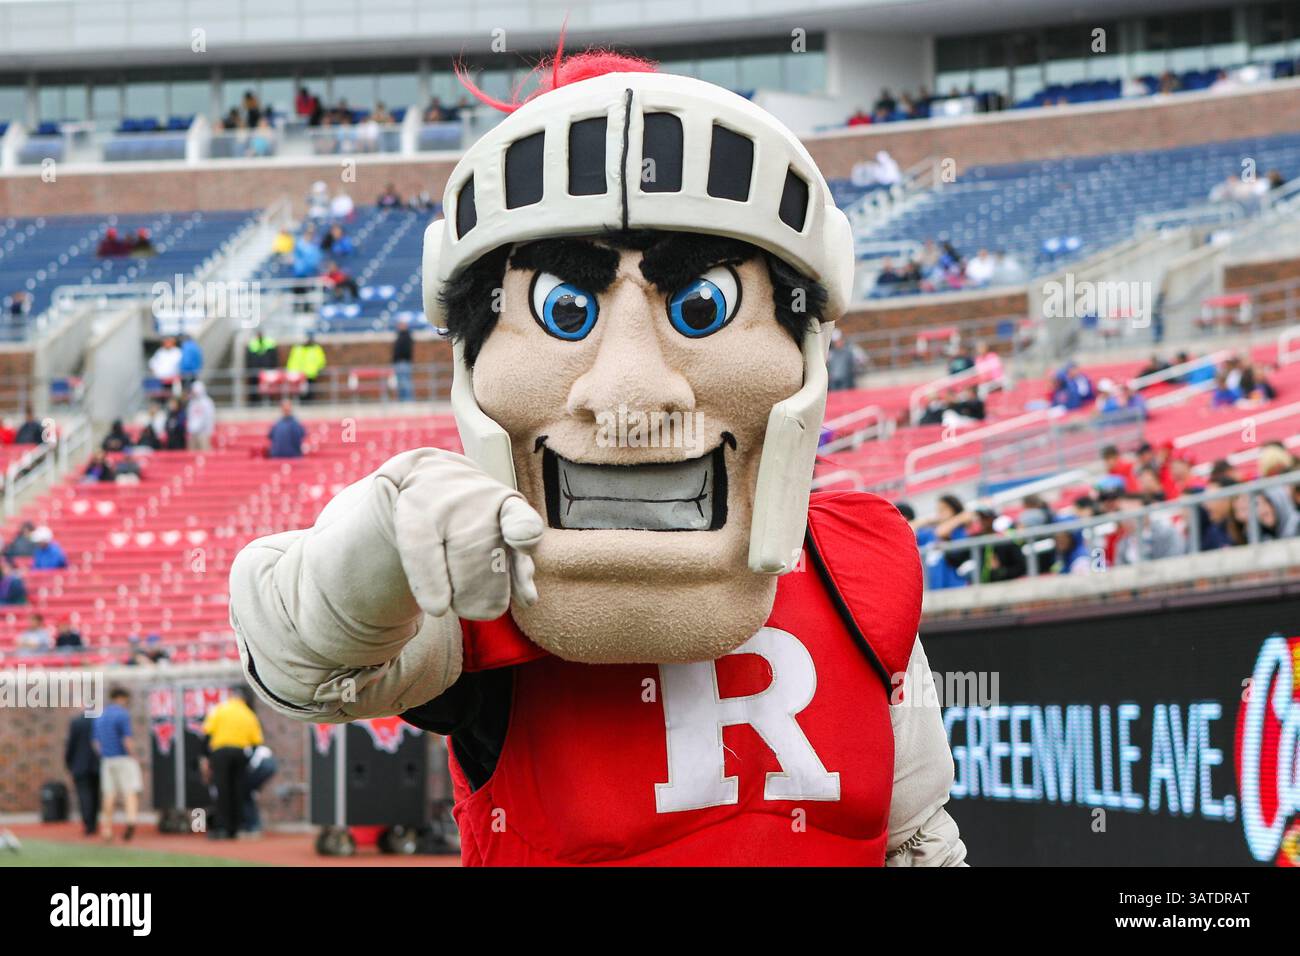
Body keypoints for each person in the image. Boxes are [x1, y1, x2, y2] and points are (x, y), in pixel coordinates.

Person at [229, 52, 965, 868]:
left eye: (703, 306)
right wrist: (378, 542)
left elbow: (913, 839)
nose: (630, 390)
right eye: (564, 311)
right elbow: (296, 662)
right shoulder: (479, 585)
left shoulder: (857, 571)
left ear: (804, 343)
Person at [201, 688, 265, 839]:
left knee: (222, 791)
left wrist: (206, 757)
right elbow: (257, 743)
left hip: (221, 753)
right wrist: (247, 760)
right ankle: (236, 827)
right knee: (237, 791)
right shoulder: (249, 714)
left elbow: (207, 734)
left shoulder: (220, 710)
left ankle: (222, 827)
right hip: (240, 754)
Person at [94, 687, 142, 842]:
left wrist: (105, 754)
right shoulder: (122, 714)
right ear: (121, 697)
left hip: (107, 759)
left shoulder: (100, 715)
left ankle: (107, 829)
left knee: (109, 794)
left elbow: (96, 743)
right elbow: (126, 739)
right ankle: (130, 820)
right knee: (130, 791)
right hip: (123, 758)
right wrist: (134, 756)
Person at [65, 713, 101, 837]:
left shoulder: (76, 722)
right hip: (97, 764)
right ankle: (94, 823)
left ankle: (88, 824)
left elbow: (71, 745)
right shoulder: (98, 721)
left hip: (80, 765)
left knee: (84, 796)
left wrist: (69, 764)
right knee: (95, 795)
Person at [286, 335, 327, 400]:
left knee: (310, 390)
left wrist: (319, 368)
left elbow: (321, 360)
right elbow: (292, 360)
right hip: (298, 375)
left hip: (310, 374)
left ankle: (309, 402)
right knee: (300, 391)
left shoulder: (316, 348)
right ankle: (301, 401)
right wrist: (291, 371)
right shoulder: (297, 348)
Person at [186, 382, 216, 451]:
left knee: (204, 452)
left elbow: (209, 417)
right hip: (193, 432)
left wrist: (208, 431)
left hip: (203, 432)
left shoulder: (207, 402)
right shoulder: (192, 402)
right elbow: (190, 417)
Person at [392, 318, 415, 401]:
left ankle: (408, 400)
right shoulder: (401, 336)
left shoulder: (406, 336)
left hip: (403, 362)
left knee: (405, 382)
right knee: (401, 383)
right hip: (400, 363)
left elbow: (405, 350)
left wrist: (401, 358)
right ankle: (402, 400)